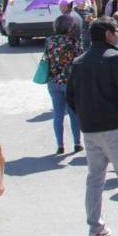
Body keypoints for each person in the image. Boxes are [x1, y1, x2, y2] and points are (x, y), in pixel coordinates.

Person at [66, 17, 118, 236]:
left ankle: (95, 228)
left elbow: (70, 97)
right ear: (108, 34)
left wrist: (85, 116)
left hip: (90, 129)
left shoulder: (79, 62)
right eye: (115, 31)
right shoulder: (116, 59)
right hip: (116, 128)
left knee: (95, 179)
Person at [44, 14, 83, 154]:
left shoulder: (49, 41)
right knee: (73, 114)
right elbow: (80, 58)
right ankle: (77, 143)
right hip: (70, 81)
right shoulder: (74, 41)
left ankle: (60, 145)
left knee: (58, 113)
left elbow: (47, 57)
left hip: (53, 80)